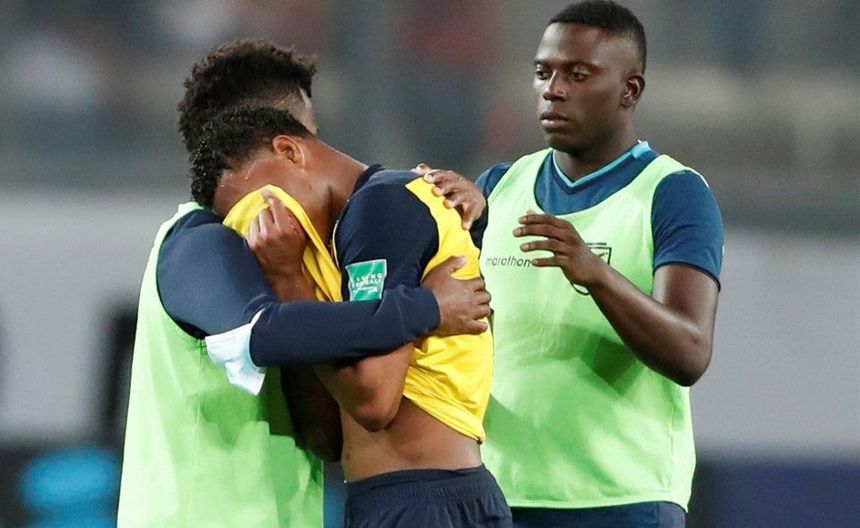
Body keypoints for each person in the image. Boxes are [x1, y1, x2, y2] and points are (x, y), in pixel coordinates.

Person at [117, 40, 490, 527]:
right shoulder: (203, 244)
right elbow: (268, 331)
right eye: (309, 130)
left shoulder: (309, 248)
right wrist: (427, 308)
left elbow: (329, 434)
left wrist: (470, 220)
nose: (323, 151)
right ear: (283, 143)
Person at [428, 2, 724, 526]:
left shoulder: (672, 192)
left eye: (577, 74)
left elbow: (690, 352)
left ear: (630, 90)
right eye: (543, 72)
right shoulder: (500, 186)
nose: (553, 89)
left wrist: (596, 274)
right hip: (500, 492)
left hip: (623, 498)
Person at [191, 103, 512, 528]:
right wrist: (289, 280)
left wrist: (290, 280)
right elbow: (325, 436)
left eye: (255, 205)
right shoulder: (329, 251)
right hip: (388, 500)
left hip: (424, 500)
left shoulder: (382, 205)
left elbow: (374, 401)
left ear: (288, 150)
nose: (260, 226)